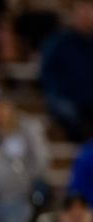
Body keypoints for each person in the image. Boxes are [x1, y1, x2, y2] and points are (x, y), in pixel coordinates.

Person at [40, 0, 93, 142]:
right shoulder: (58, 43)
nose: (86, 16)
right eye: (82, 11)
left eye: (89, 11)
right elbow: (47, 74)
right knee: (67, 112)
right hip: (66, 98)